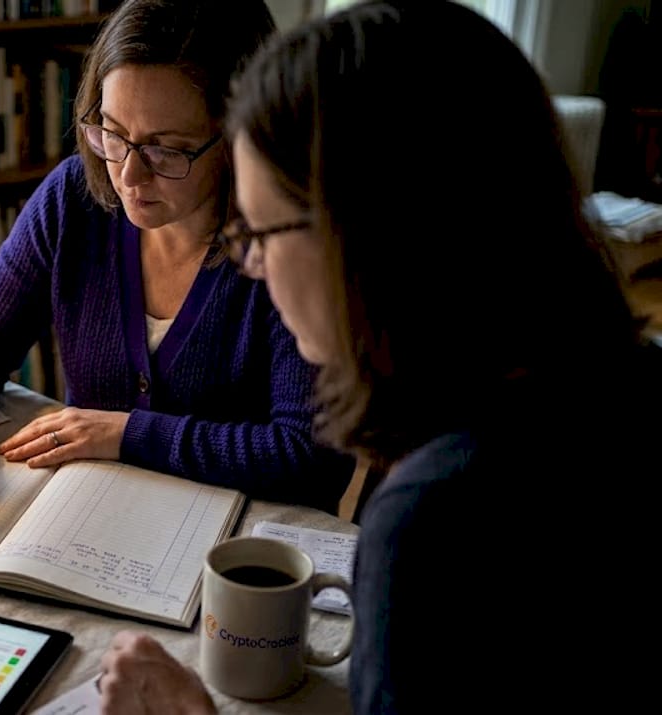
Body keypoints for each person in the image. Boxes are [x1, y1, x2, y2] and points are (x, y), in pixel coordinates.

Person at [98, 2, 660, 712]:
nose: (253, 266)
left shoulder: (435, 525)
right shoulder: (622, 381)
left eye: (264, 229)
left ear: (368, 239)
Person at [0, 0, 353, 513]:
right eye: (111, 132)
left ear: (238, 134)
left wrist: (129, 434)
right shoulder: (74, 200)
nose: (129, 176)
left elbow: (311, 459)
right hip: (91, 523)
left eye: (165, 149)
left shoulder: (286, 243)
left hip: (235, 555)